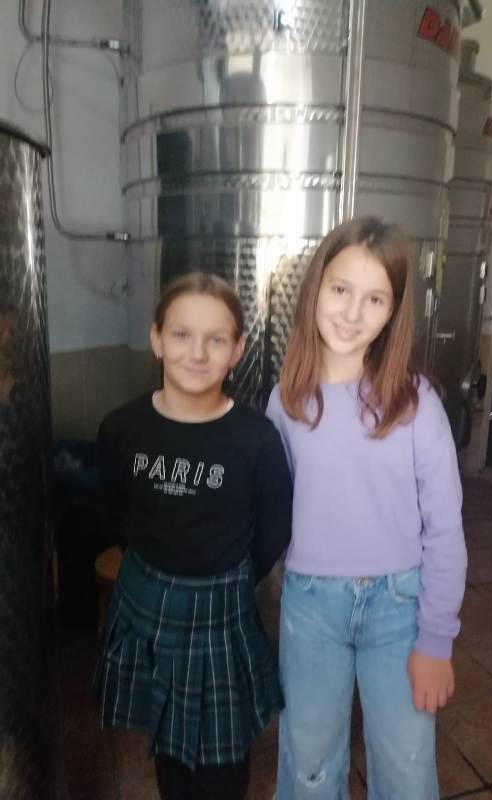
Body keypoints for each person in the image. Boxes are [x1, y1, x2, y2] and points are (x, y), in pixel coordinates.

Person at [267, 217, 467, 800]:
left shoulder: (415, 403)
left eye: (375, 298)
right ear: (315, 289)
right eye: (340, 289)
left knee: (406, 768)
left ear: (393, 313)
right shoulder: (286, 401)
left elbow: (445, 529)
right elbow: (269, 512)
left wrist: (436, 641)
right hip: (310, 607)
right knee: (307, 765)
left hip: (399, 609)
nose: (352, 313)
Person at [95, 272, 292, 800]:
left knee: (222, 762)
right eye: (182, 335)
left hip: (220, 611)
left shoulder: (256, 437)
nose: (197, 353)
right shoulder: (121, 428)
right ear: (157, 338)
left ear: (238, 350)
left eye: (216, 339)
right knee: (168, 741)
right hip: (146, 601)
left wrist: (225, 580)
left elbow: (274, 528)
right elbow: (113, 511)